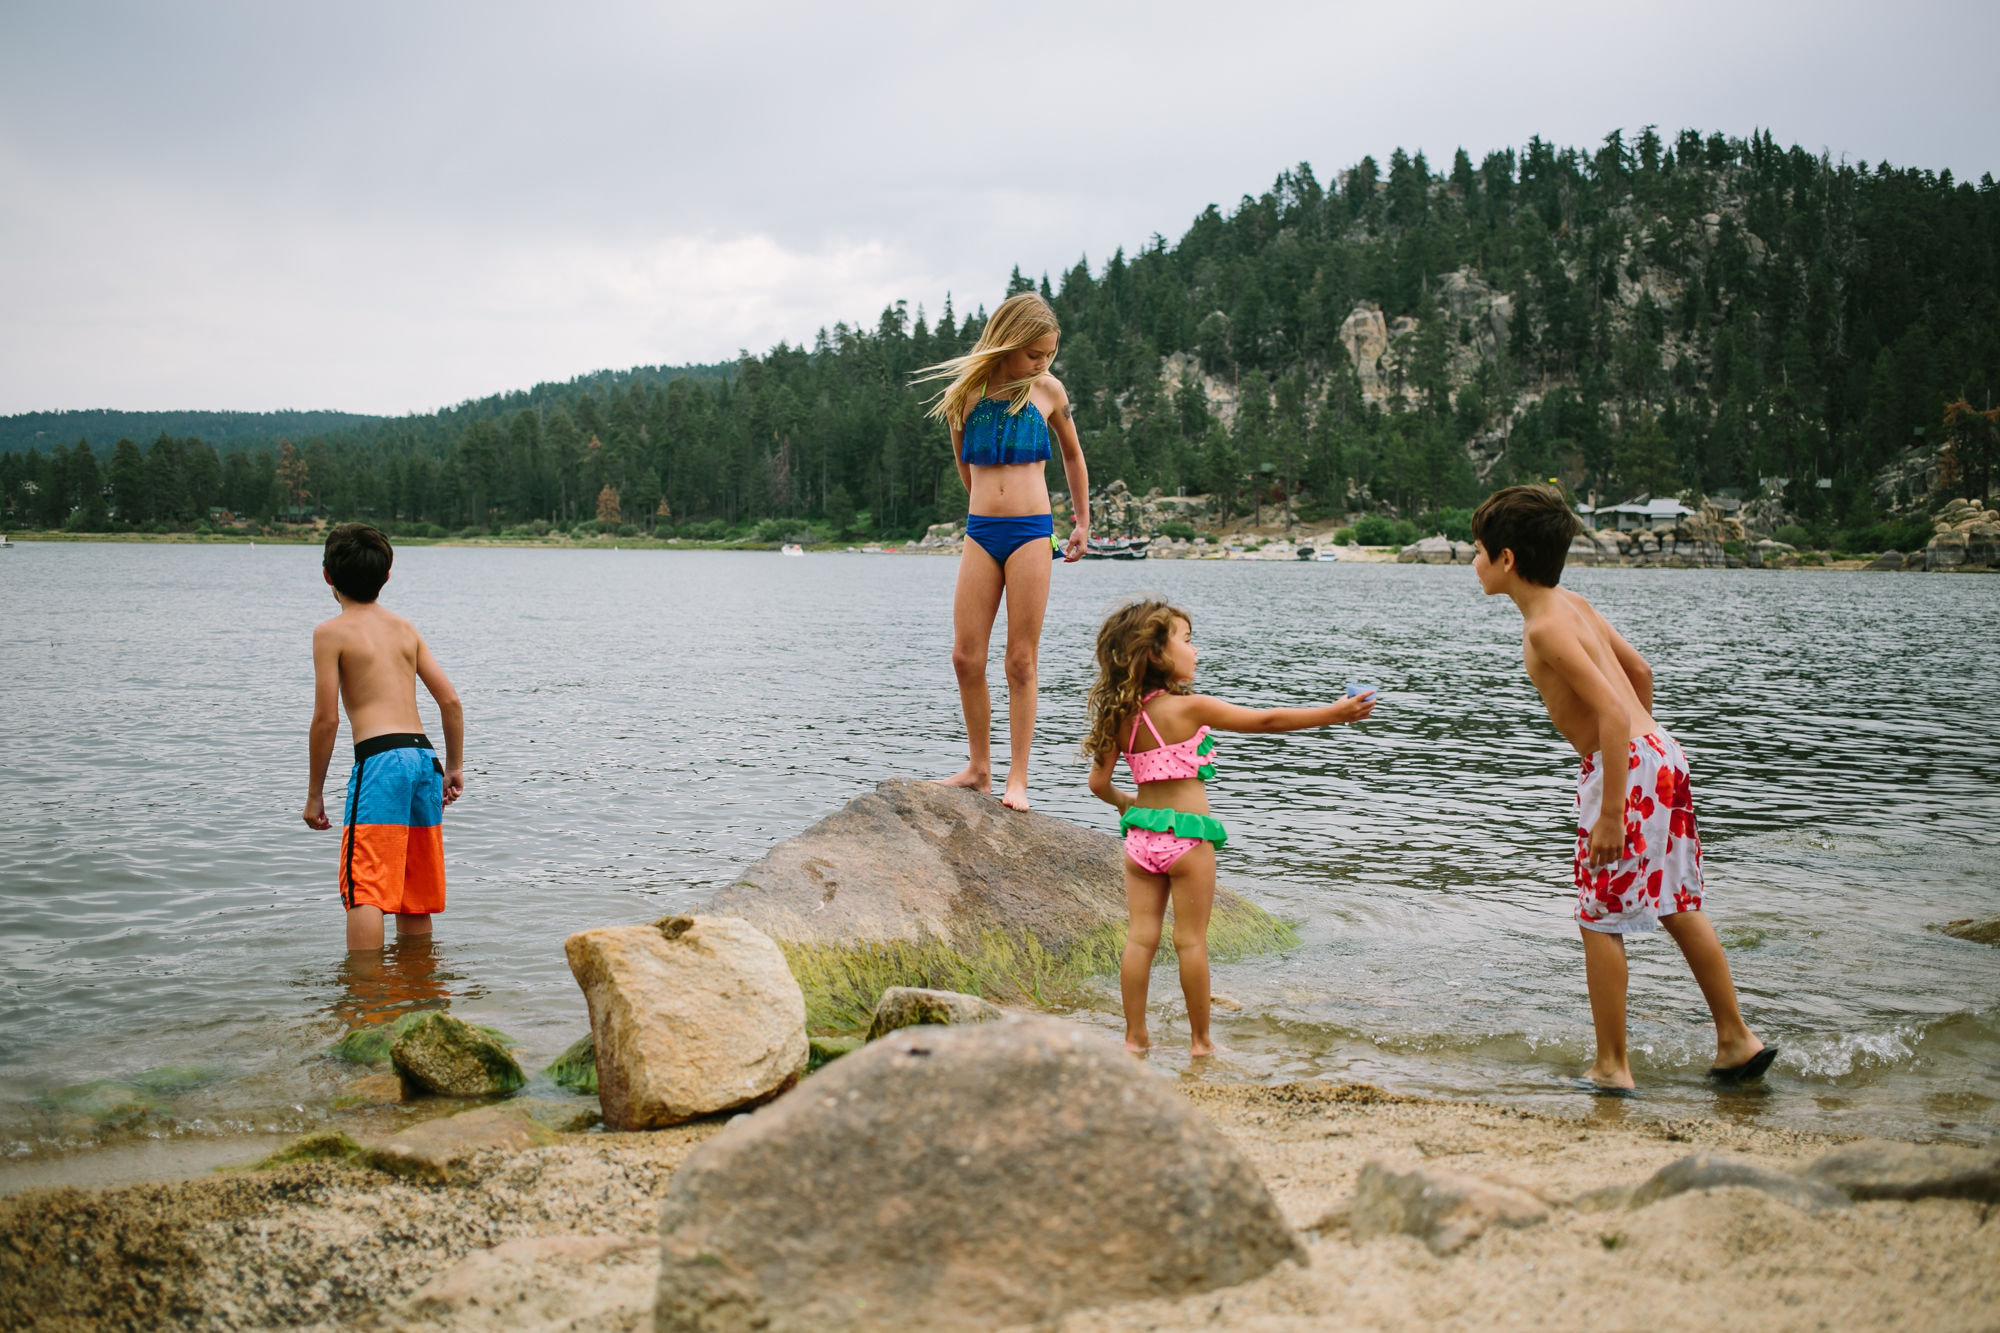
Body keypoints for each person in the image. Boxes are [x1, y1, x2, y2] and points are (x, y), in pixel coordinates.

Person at [1470, 484, 1775, 1091]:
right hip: (1662, 755)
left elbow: (1610, 712)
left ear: (1506, 559)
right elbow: (1640, 673)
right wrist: (1643, 749)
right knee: (1676, 903)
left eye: (1476, 550)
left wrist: (1614, 808)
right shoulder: (1573, 603)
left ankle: (1612, 1066)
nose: (1470, 562)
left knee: (1599, 918)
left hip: (1627, 770)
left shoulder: (1544, 629)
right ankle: (1736, 1039)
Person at [1084, 599, 1376, 1057]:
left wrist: (1129, 805)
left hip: (1141, 842)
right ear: (1157, 654)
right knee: (1190, 941)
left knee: (1140, 938)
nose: (1195, 650)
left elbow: (1098, 783)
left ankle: (1134, 1038)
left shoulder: (1117, 716)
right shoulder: (1188, 709)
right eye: (1186, 640)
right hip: (1189, 838)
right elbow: (1267, 720)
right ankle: (1200, 1043)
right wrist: (1332, 713)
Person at [913, 292, 1090, 810]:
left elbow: (1073, 457)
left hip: (1033, 533)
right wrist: (987, 505)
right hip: (981, 533)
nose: (1043, 363)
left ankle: (1017, 778)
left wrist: (1081, 521)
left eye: (1048, 355)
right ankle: (978, 768)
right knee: (965, 657)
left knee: (1020, 660)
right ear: (1007, 343)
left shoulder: (1047, 392)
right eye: (1034, 353)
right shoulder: (965, 395)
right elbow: (965, 469)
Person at [302, 524, 465, 951]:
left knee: (366, 888)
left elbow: (326, 721)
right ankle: (417, 988)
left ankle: (365, 1000)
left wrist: (315, 794)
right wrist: (454, 767)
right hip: (424, 760)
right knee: (415, 886)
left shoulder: (330, 633)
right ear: (386, 577)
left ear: (327, 576)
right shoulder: (405, 628)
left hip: (380, 760)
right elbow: (450, 702)